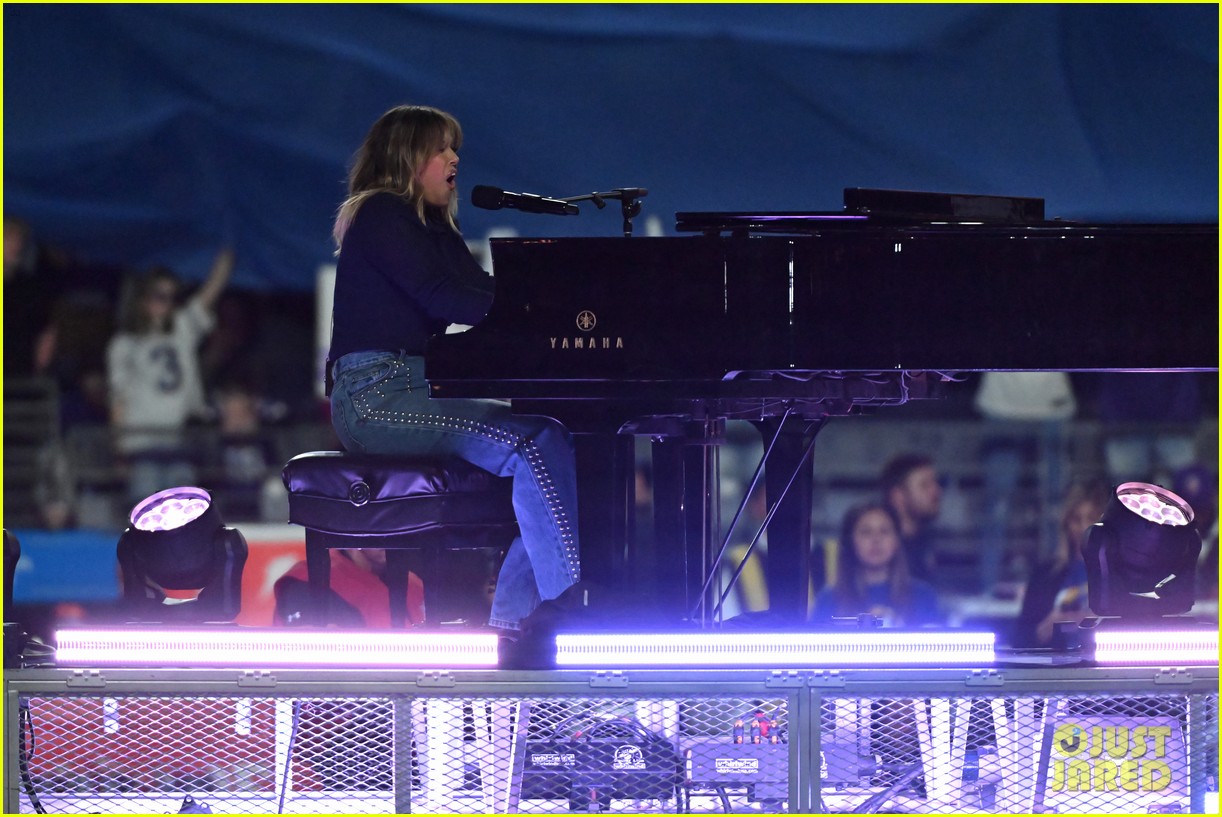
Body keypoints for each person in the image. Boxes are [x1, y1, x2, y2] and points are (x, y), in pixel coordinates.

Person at [326, 104, 580, 634]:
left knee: (551, 439)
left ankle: (517, 621)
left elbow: (482, 296)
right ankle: (563, 607)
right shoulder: (380, 214)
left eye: (453, 147)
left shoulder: (434, 225)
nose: (454, 157)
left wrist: (545, 307)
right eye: (441, 147)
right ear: (408, 157)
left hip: (416, 388)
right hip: (375, 398)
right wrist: (544, 311)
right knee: (533, 443)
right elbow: (445, 298)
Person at [106, 247, 234, 506]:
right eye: (158, 296)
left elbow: (208, 296)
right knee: (145, 514)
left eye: (170, 297)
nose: (164, 303)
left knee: (183, 511)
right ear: (142, 299)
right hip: (140, 443)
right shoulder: (124, 343)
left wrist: (225, 258)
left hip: (179, 439)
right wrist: (118, 448)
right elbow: (118, 398)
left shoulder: (181, 327)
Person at [1010, 479, 1110, 648]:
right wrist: (1045, 629)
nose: (1084, 527)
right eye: (1076, 520)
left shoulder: (1127, 575)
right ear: (1066, 524)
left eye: (1092, 518)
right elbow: (1020, 640)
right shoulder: (1045, 575)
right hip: (1057, 671)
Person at [812, 502, 941, 627]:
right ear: (850, 542)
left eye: (884, 531)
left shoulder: (923, 596)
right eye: (866, 532)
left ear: (897, 540)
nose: (876, 539)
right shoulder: (828, 600)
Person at [879, 452, 943, 584]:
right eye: (924, 485)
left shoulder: (924, 540)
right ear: (898, 496)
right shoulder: (882, 549)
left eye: (935, 483)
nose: (936, 491)